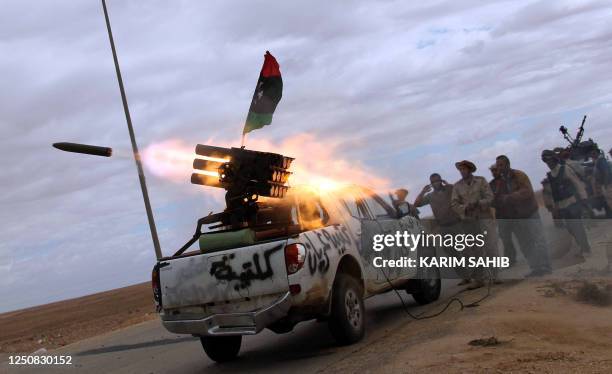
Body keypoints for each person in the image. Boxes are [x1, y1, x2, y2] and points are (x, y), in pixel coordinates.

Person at [494, 155, 551, 276]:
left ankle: (546, 266)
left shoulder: (519, 175)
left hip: (529, 213)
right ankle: (535, 268)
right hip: (516, 217)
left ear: (507, 165)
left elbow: (527, 191)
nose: (498, 168)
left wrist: (510, 197)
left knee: (538, 239)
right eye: (497, 165)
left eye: (501, 165)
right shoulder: (500, 182)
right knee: (525, 243)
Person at [450, 160, 496, 289]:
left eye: (464, 169)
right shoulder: (457, 186)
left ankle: (495, 275)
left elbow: (490, 197)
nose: (462, 171)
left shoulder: (481, 181)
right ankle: (479, 279)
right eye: (460, 170)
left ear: (470, 169)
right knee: (475, 252)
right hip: (469, 221)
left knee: (490, 247)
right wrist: (465, 208)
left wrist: (479, 203)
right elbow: (454, 204)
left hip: (484, 218)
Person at [541, 150, 591, 258]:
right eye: (546, 161)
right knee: (570, 228)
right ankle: (583, 247)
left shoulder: (565, 169)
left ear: (554, 159)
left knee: (577, 227)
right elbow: (552, 193)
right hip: (562, 206)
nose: (548, 163)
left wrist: (583, 199)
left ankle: (585, 248)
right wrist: (555, 209)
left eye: (549, 160)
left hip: (572, 202)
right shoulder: (550, 175)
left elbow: (577, 183)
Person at [489, 164, 518, 266]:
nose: (494, 172)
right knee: (505, 239)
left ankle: (529, 256)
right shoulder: (491, 184)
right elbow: (489, 200)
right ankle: (510, 259)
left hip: (513, 213)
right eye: (492, 171)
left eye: (495, 170)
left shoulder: (507, 180)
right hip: (500, 214)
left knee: (520, 236)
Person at [589, 147, 612, 217]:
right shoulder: (598, 161)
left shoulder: (601, 160)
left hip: (608, 185)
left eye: (593, 154)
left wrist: (606, 184)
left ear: (596, 153)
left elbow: (606, 172)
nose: (591, 155)